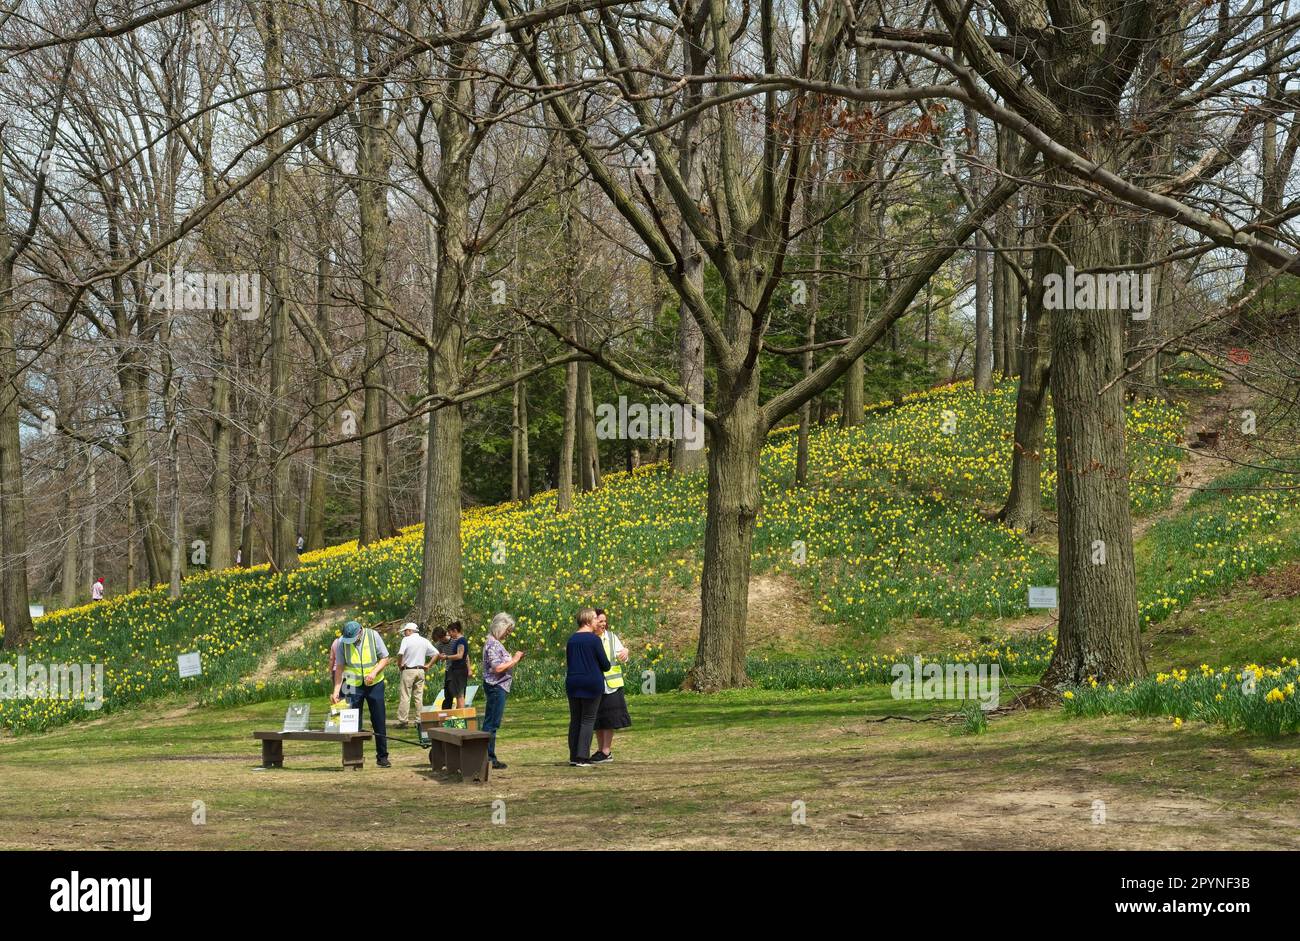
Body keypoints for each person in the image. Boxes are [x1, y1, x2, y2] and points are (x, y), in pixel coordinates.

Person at [331, 620, 391, 767]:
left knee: (378, 719)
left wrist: (374, 672)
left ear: (360, 632)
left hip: (374, 683)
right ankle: (353, 757)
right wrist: (336, 691)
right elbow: (339, 667)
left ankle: (382, 757)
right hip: (351, 684)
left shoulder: (373, 635)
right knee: (350, 722)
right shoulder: (341, 643)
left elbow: (385, 658)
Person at [565, 608, 609, 768]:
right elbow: (605, 664)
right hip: (591, 682)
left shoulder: (571, 640)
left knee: (575, 719)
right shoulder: (594, 640)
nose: (598, 621)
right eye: (596, 619)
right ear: (589, 621)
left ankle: (573, 756)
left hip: (573, 682)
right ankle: (583, 756)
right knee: (588, 720)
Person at [481, 612, 524, 770]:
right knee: (492, 723)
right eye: (508, 630)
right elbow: (497, 667)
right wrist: (514, 660)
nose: (509, 633)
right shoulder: (493, 644)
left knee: (491, 722)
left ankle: (487, 756)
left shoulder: (494, 643)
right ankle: (488, 758)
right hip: (496, 686)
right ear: (500, 627)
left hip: (497, 686)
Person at [589, 608, 630, 762]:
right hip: (596, 685)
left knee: (609, 719)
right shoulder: (589, 638)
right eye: (600, 621)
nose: (604, 624)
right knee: (598, 720)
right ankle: (600, 750)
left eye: (605, 621)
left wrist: (626, 652)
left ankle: (606, 751)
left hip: (612, 686)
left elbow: (623, 656)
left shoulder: (612, 637)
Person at [395, 622, 436, 728]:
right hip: (420, 670)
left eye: (405, 631)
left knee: (405, 696)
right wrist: (428, 665)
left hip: (408, 670)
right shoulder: (424, 640)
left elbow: (400, 654)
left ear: (410, 630)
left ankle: (403, 721)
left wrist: (399, 664)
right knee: (419, 696)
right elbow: (436, 653)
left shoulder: (406, 640)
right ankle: (419, 721)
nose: (404, 633)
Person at [441, 621, 469, 710]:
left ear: (455, 630)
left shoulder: (461, 641)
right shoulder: (459, 640)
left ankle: (460, 717)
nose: (449, 634)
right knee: (458, 694)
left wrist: (447, 657)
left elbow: (460, 655)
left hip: (459, 670)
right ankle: (459, 715)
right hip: (457, 670)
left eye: (450, 632)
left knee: (459, 695)